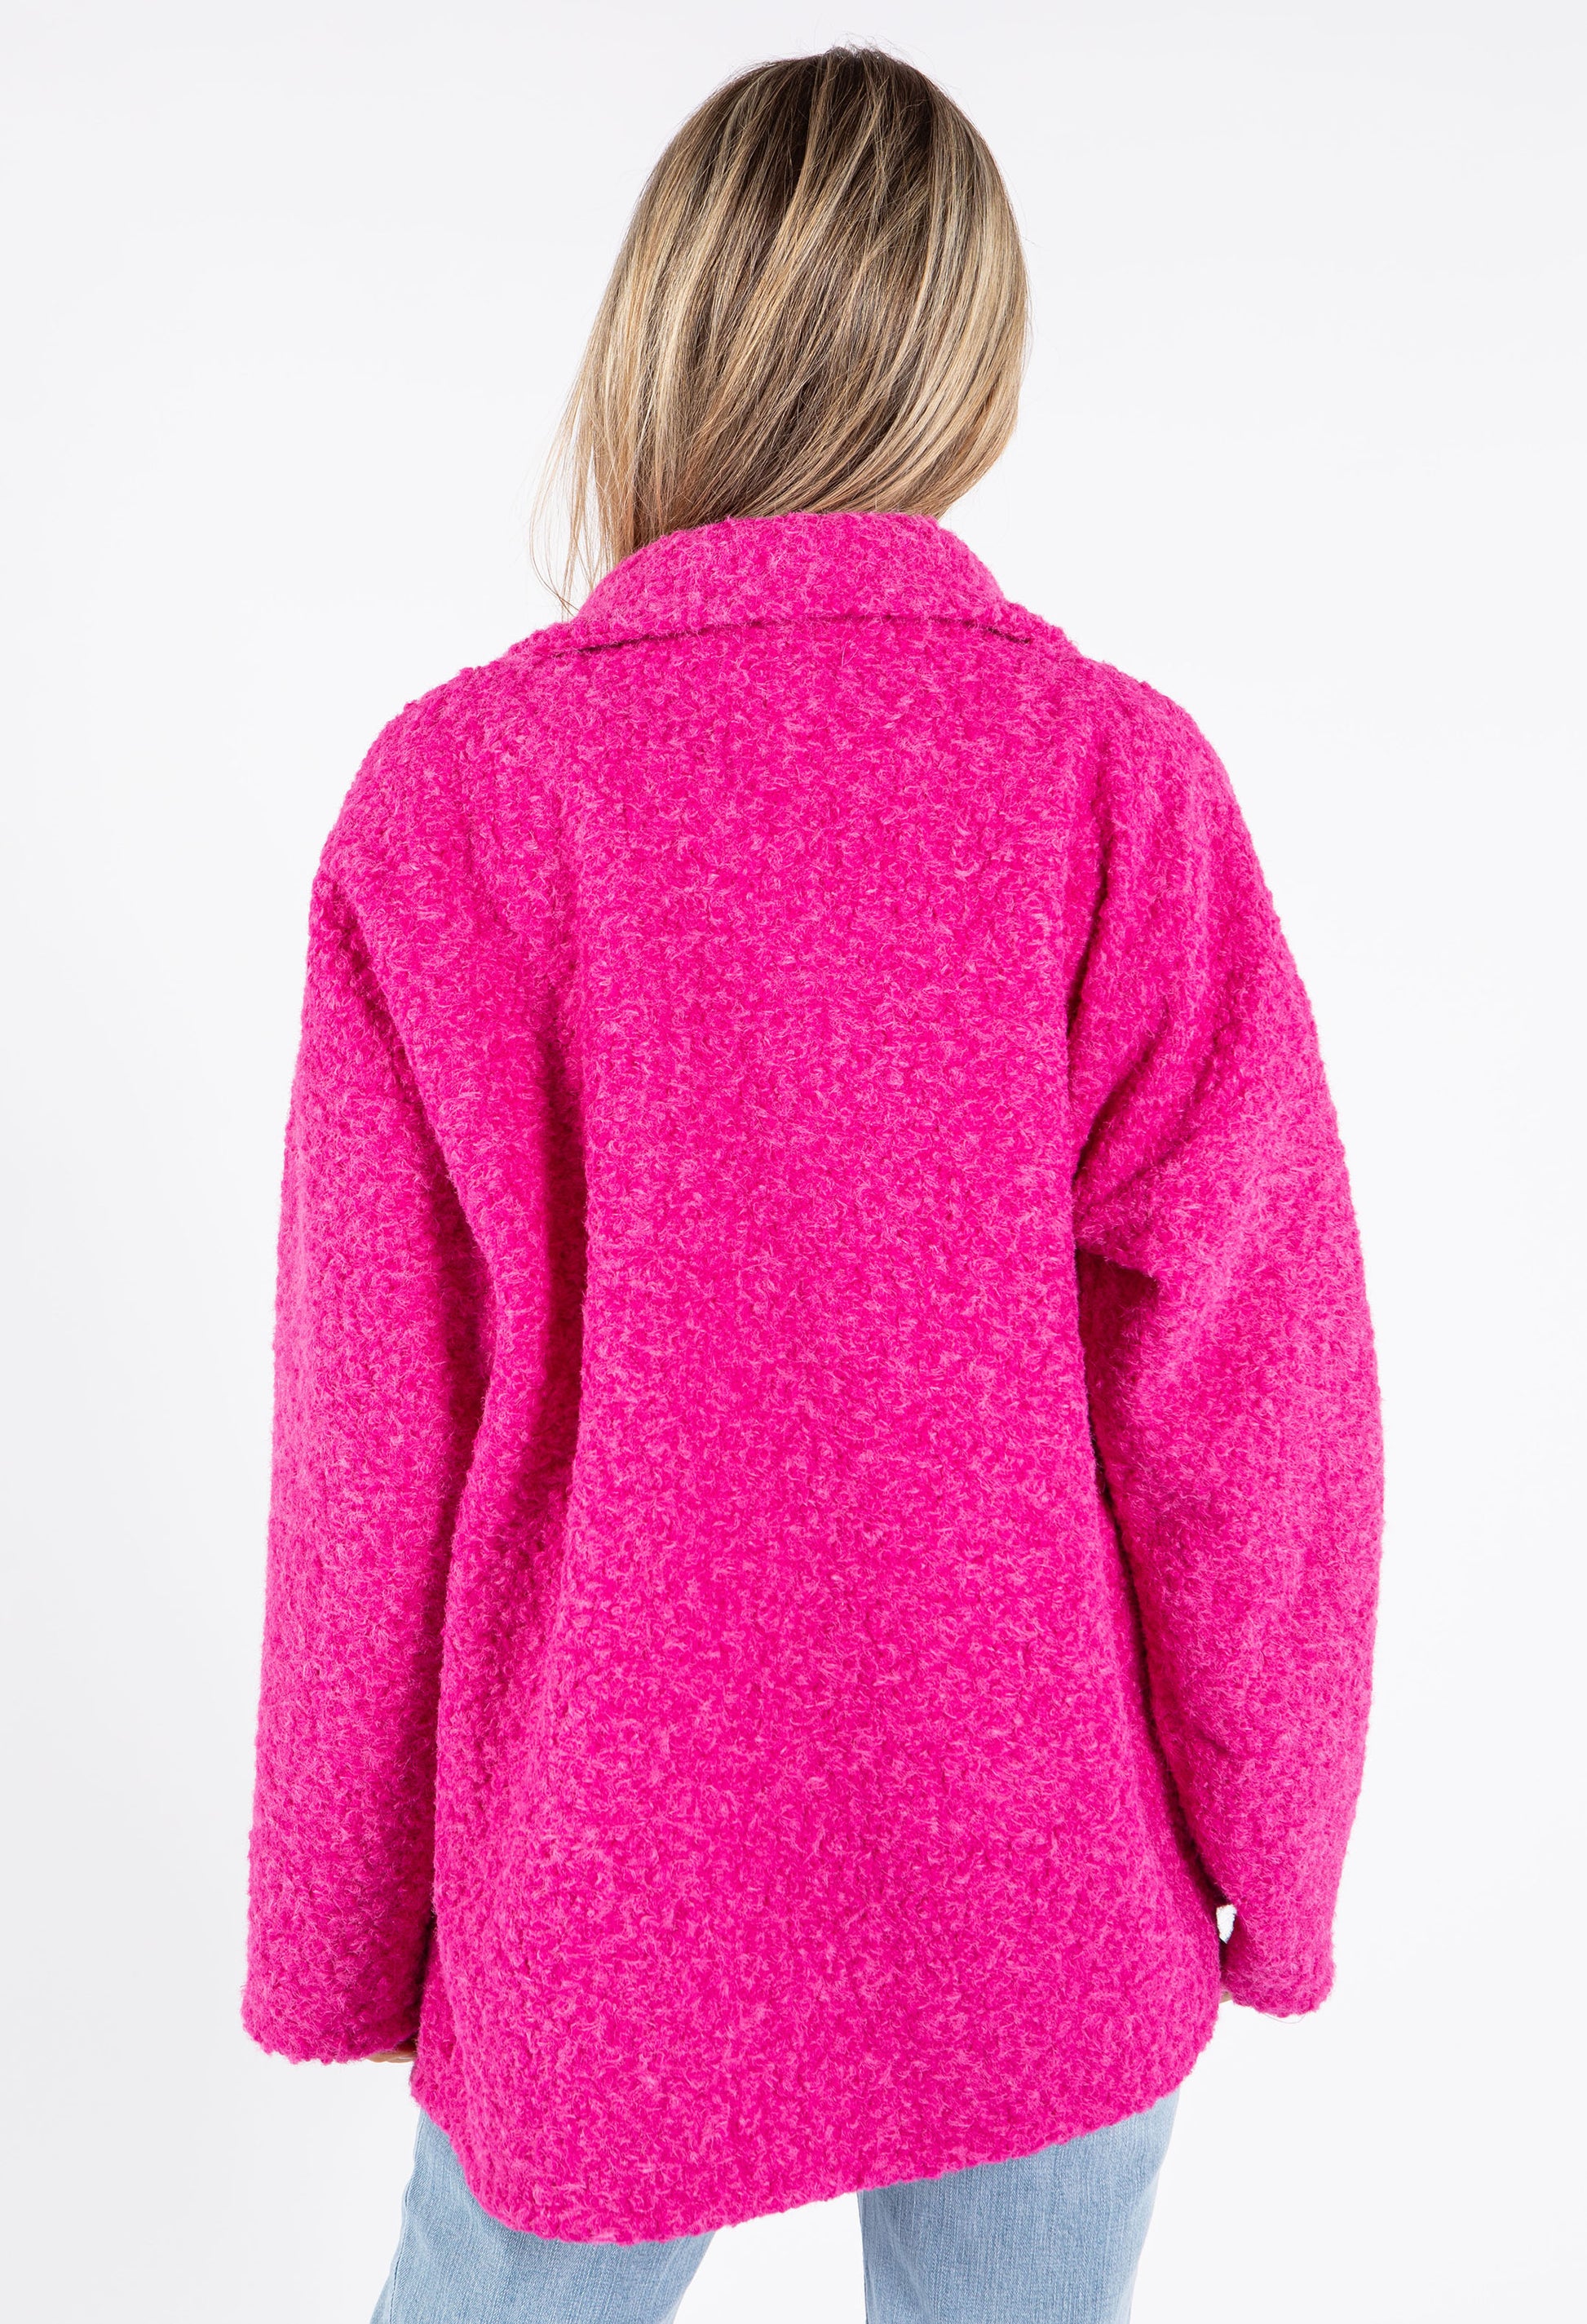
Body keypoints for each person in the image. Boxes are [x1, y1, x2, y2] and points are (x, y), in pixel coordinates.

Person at [243, 45, 1382, 2324]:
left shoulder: (461, 798)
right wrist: (1273, 1845)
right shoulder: (1108, 779)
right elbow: (1255, 1400)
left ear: (657, 329)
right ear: (968, 362)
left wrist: (341, 1934)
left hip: (602, 1884)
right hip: (1037, 1867)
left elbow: (373, 1439)